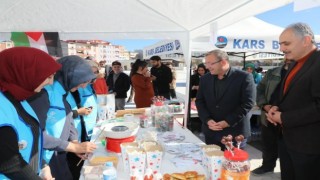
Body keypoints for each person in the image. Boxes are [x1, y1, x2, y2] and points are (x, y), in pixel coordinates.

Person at [266, 23, 320, 180]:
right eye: (280, 44)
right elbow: (287, 94)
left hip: (309, 147)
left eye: (286, 43)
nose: (281, 48)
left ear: (306, 40)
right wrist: (275, 107)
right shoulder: (295, 63)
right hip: (287, 140)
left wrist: (283, 118)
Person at [0, 47, 61, 179]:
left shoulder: (19, 98)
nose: (50, 83)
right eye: (48, 77)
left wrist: (43, 166)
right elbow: (9, 163)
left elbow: (31, 137)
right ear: (24, 72)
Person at [43, 56, 97, 180]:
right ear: (71, 75)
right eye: (83, 81)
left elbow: (68, 118)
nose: (84, 86)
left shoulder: (63, 92)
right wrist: (74, 147)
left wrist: (75, 142)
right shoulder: (45, 93)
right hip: (46, 158)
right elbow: (38, 134)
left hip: (59, 152)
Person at [195, 49, 255, 150]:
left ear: (223, 62)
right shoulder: (205, 79)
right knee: (213, 163)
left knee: (232, 164)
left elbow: (248, 103)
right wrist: (207, 120)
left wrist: (228, 121)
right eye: (206, 63)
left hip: (234, 133)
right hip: (211, 131)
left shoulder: (244, 77)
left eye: (210, 63)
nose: (207, 66)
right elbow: (200, 101)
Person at [251, 59, 292, 175]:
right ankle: (267, 166)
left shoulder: (305, 73)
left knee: (289, 148)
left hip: (290, 118)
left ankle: (288, 171)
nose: (287, 54)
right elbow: (260, 89)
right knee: (269, 143)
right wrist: (265, 105)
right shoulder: (273, 72)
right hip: (269, 115)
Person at [66, 59, 100, 179]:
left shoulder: (90, 86)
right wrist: (78, 112)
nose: (93, 77)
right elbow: (64, 114)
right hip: (74, 135)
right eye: (92, 72)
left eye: (96, 73)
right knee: (75, 166)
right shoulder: (72, 88)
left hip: (87, 130)